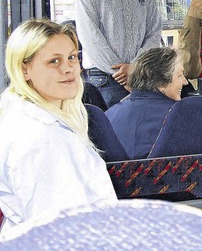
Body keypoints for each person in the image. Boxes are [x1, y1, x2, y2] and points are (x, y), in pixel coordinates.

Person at [0, 19, 117, 240]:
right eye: (54, 61)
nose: (68, 68)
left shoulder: (26, 117)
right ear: (24, 69)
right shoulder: (39, 138)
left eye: (72, 57)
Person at [75, 0, 162, 107]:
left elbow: (154, 32)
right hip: (103, 79)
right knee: (107, 132)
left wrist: (135, 67)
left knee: (138, 132)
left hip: (140, 76)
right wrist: (122, 72)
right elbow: (90, 36)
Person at [105, 47, 187, 159]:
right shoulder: (181, 116)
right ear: (161, 83)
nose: (185, 81)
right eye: (180, 75)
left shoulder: (108, 115)